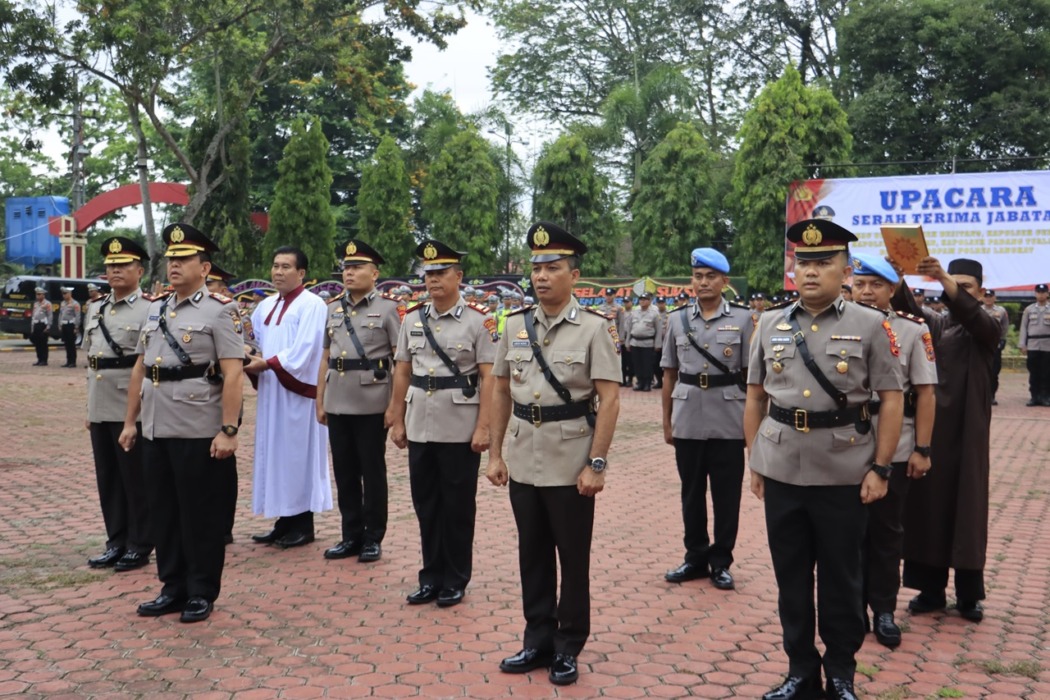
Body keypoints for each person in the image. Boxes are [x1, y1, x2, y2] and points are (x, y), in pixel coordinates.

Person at [744, 218, 903, 700]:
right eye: (802, 262)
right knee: (790, 576)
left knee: (841, 576)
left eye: (823, 262)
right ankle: (799, 671)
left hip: (844, 469)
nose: (809, 272)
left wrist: (880, 467)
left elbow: (892, 398)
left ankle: (840, 673)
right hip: (783, 466)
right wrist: (756, 459)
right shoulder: (770, 323)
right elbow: (754, 396)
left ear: (846, 268)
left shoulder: (871, 324)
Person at [487, 221, 621, 686]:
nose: (542, 276)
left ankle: (568, 645)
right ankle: (537, 640)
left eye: (553, 267)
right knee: (532, 554)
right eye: (536, 267)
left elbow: (610, 399)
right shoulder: (515, 325)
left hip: (570, 461)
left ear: (574, 275)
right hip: (525, 455)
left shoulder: (593, 329)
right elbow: (502, 389)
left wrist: (596, 463)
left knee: (572, 557)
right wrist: (495, 454)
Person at [118, 223, 244, 623]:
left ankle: (201, 590)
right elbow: (141, 368)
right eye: (171, 259)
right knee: (163, 511)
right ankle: (172, 586)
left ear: (204, 267)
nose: (174, 264)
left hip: (196, 427)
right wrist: (130, 422)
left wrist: (228, 430)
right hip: (155, 426)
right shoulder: (156, 309)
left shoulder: (221, 311)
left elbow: (233, 374)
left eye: (184, 259)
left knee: (199, 514)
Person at [889, 256, 999, 623]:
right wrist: (899, 278)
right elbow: (907, 308)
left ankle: (969, 595)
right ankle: (930, 590)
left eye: (967, 286)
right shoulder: (935, 325)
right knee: (927, 507)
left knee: (967, 510)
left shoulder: (990, 324)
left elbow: (976, 319)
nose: (959, 292)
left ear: (980, 292)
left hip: (969, 434)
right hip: (933, 431)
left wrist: (945, 278)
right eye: (954, 284)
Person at [387, 239, 494, 608]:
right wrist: (396, 417)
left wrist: (484, 427)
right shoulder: (413, 318)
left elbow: (489, 378)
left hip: (459, 425)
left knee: (458, 506)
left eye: (441, 273)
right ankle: (430, 576)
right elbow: (402, 369)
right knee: (426, 504)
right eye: (428, 274)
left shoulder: (480, 320)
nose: (432, 280)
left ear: (458, 277)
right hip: (420, 423)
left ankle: (455, 577)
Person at [850, 254, 937, 649]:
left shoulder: (912, 330)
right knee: (846, 533)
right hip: (844, 443)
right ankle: (851, 608)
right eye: (860, 284)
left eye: (876, 285)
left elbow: (925, 392)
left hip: (896, 443)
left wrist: (922, 448)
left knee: (886, 532)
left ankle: (883, 609)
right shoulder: (835, 326)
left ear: (891, 290)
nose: (866, 292)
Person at [661, 248, 752, 591]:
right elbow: (669, 374)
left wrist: (751, 427)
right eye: (698, 276)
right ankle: (695, 556)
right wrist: (667, 421)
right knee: (691, 491)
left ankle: (721, 560)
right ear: (692, 280)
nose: (703, 282)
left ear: (724, 282)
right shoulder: (676, 319)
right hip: (687, 416)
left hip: (729, 417)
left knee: (727, 495)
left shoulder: (743, 320)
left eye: (711, 276)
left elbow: (752, 378)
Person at [316, 240, 401, 563]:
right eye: (346, 268)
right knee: (345, 471)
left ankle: (372, 537)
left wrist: (395, 406)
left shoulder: (389, 309)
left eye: (357, 268)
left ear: (374, 273)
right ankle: (350, 534)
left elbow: (400, 361)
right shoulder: (332, 309)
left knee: (372, 470)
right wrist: (319, 399)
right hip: (338, 399)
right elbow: (326, 357)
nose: (349, 273)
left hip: (371, 401)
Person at [247, 247, 332, 549]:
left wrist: (267, 363)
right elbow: (255, 340)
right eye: (275, 265)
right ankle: (282, 521)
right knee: (275, 455)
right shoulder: (266, 305)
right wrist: (250, 356)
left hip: (299, 394)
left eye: (286, 266)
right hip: (273, 392)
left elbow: (306, 349)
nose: (278, 272)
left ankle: (302, 523)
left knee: (298, 456)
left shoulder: (313, 305)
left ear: (302, 273)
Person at [84, 237, 154, 572]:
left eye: (123, 265)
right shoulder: (96, 309)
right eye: (111, 265)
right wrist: (89, 410)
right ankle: (116, 540)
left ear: (139, 271)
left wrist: (134, 416)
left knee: (135, 479)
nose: (115, 270)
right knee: (108, 478)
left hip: (131, 406)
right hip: (101, 405)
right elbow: (92, 363)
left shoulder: (150, 310)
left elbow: (147, 367)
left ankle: (139, 544)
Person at [1020, 283, 1050, 406]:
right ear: (1035, 294)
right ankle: (1034, 396)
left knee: (1046, 372)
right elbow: (1023, 327)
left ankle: (1045, 396)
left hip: (1048, 345)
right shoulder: (1029, 309)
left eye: (1043, 292)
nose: (1041, 294)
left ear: (1047, 294)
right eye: (1038, 292)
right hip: (1032, 344)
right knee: (1033, 372)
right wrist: (1022, 344)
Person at [627, 292, 663, 391]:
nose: (642, 301)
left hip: (648, 343)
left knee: (647, 364)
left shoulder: (654, 313)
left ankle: (647, 383)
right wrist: (627, 342)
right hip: (635, 342)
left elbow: (659, 330)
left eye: (645, 299)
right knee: (637, 364)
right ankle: (640, 382)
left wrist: (658, 344)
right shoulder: (634, 312)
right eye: (641, 299)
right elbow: (629, 328)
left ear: (649, 301)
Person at [981, 289, 1009, 405]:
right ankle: (980, 396)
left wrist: (1002, 340)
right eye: (986, 296)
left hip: (994, 346)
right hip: (980, 345)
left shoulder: (1001, 311)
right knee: (980, 372)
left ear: (994, 298)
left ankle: (991, 395)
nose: (988, 298)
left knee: (993, 372)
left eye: (990, 296)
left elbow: (1005, 326)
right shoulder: (978, 310)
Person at [57, 287, 81, 368]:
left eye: (65, 293)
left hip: (71, 325)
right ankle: (68, 361)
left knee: (71, 345)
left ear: (70, 294)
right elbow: (61, 314)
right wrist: (60, 324)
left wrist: (76, 327)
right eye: (63, 294)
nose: (64, 295)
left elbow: (78, 316)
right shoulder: (63, 303)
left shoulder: (75, 304)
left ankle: (73, 362)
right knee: (67, 344)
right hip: (64, 325)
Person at [30, 287, 51, 366]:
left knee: (43, 343)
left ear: (43, 295)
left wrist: (48, 326)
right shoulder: (36, 304)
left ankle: (44, 360)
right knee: (37, 344)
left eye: (39, 294)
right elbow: (33, 316)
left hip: (43, 325)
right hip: (36, 324)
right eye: (37, 294)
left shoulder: (47, 304)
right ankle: (39, 359)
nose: (37, 296)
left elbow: (49, 316)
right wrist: (32, 327)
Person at [620, 297, 635, 387]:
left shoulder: (635, 313)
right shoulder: (621, 313)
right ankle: (623, 379)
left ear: (632, 302)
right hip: (622, 338)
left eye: (627, 302)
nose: (626, 304)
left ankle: (630, 379)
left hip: (631, 338)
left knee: (631, 361)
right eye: (625, 302)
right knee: (622, 361)